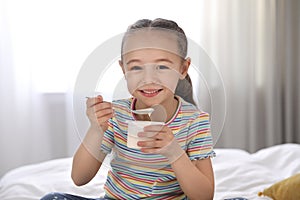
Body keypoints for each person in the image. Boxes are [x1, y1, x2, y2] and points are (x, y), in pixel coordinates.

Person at [41, 18, 215, 200]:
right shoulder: (116, 115)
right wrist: (96, 129)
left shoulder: (195, 121)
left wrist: (174, 152)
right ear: (123, 69)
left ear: (183, 68)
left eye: (162, 66)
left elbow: (204, 197)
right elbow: (79, 178)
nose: (148, 79)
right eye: (136, 67)